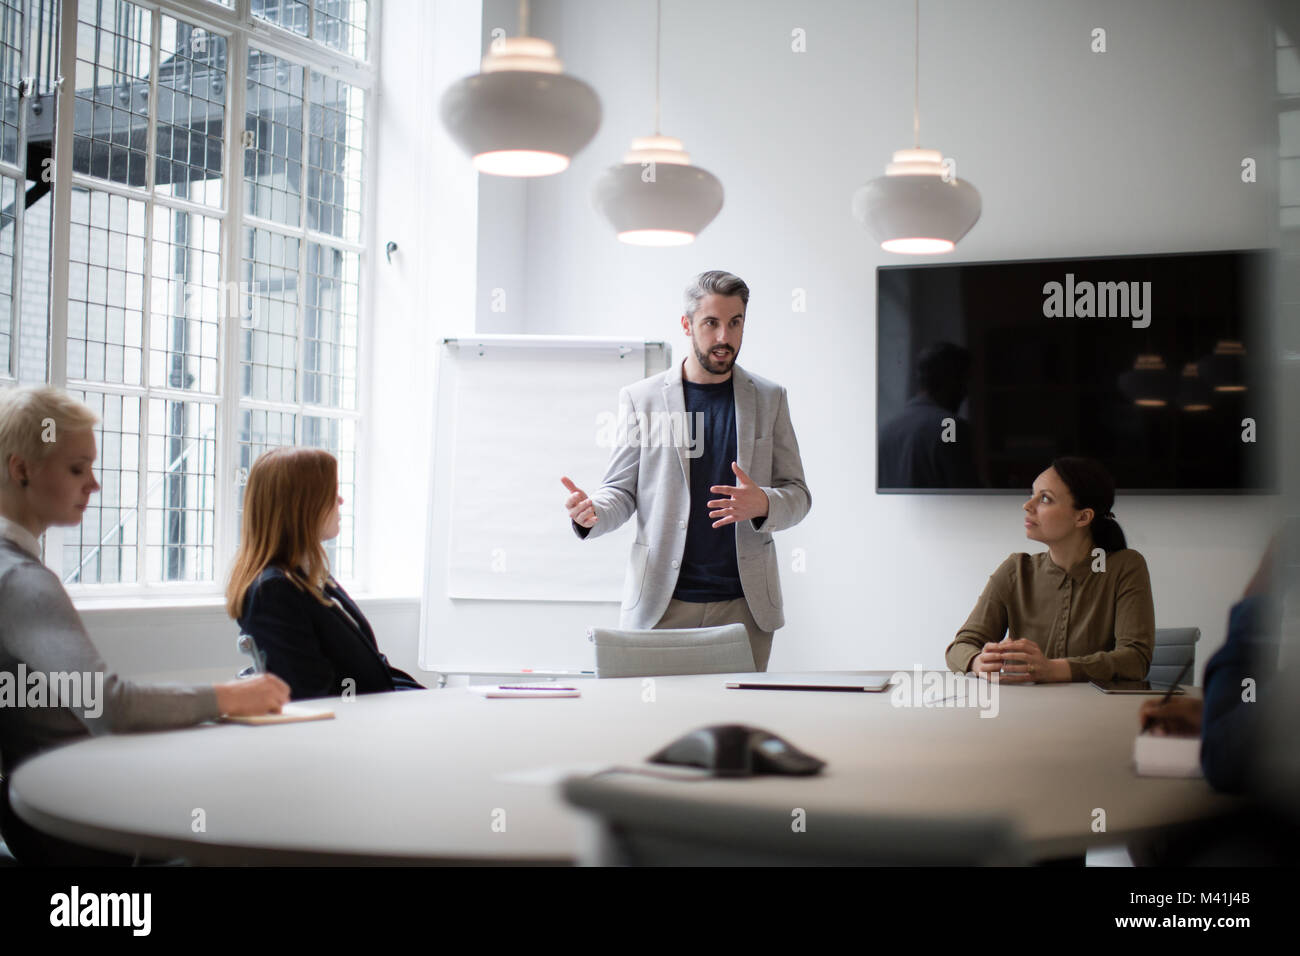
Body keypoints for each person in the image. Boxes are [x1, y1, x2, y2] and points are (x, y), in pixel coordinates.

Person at [0, 386, 288, 865]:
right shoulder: (22, 582)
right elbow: (112, 704)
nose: (93, 484)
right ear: (21, 469)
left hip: (47, 818)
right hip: (81, 832)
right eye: (77, 468)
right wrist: (231, 696)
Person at [561, 270, 811, 671]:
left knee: (734, 729)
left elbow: (798, 495)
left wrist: (763, 502)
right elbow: (621, 492)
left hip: (746, 611)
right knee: (656, 726)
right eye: (711, 323)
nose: (723, 338)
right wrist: (594, 513)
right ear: (687, 325)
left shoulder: (769, 398)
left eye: (735, 323)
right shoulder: (641, 399)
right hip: (661, 606)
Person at [227, 447, 424, 700]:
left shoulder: (308, 577)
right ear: (302, 505)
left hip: (375, 712)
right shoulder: (275, 591)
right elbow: (313, 694)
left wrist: (423, 699)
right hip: (354, 727)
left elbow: (371, 666)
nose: (340, 500)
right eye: (331, 493)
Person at [945, 456, 1154, 682]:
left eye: (1045, 498)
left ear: (1082, 517)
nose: (1027, 505)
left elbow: (1135, 660)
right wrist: (978, 661)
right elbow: (960, 647)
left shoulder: (1125, 567)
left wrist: (1054, 669)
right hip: (1027, 711)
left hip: (1098, 713)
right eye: (1031, 495)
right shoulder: (1015, 570)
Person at [878, 342, 980, 489]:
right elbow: (971, 497)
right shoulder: (950, 425)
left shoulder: (886, 429)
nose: (966, 393)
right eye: (964, 381)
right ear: (951, 380)